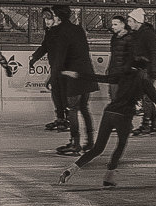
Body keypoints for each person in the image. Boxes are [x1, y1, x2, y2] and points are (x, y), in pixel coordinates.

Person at [58, 56, 156, 188]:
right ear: (142, 70)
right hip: (124, 117)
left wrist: (75, 74)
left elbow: (99, 78)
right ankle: (109, 176)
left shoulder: (122, 76)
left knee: (97, 148)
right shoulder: (144, 83)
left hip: (109, 113)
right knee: (121, 145)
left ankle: (71, 170)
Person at [49, 5, 98, 157]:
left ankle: (75, 143)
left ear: (57, 16)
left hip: (73, 76)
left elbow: (60, 57)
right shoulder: (78, 29)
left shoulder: (61, 32)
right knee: (84, 108)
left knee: (72, 109)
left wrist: (53, 76)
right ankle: (90, 142)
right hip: (86, 73)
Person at [29, 7, 67, 131]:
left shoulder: (62, 31)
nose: (46, 22)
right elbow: (45, 46)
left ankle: (68, 119)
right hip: (55, 66)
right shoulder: (50, 31)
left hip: (64, 67)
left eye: (48, 19)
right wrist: (34, 58)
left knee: (63, 93)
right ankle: (60, 118)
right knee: (56, 93)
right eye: (45, 20)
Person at [126, 7, 156, 136]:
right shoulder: (136, 34)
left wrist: (154, 70)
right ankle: (154, 125)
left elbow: (154, 51)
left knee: (147, 98)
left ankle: (147, 125)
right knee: (147, 97)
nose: (128, 23)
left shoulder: (147, 33)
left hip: (147, 70)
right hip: (141, 69)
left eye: (130, 21)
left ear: (137, 21)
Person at [107, 15, 132, 99]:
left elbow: (130, 57)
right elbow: (113, 55)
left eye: (115, 24)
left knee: (121, 99)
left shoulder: (129, 37)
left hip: (123, 75)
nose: (112, 27)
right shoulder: (114, 37)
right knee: (113, 96)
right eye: (112, 24)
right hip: (114, 72)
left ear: (123, 24)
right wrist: (109, 68)